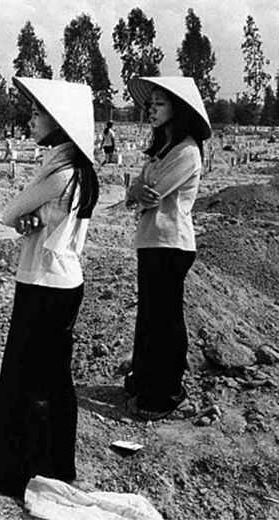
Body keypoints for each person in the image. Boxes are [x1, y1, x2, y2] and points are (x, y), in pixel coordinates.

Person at [0, 77, 99, 499]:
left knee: (25, 379)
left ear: (59, 121)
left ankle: (23, 471)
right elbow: (34, 218)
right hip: (62, 280)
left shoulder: (60, 171)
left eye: (38, 113)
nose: (31, 119)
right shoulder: (73, 169)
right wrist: (32, 218)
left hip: (43, 282)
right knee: (53, 378)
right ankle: (55, 462)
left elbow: (8, 213)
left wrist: (25, 213)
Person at [123, 76, 211, 421]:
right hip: (151, 241)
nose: (151, 109)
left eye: (159, 103)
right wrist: (136, 190)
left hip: (171, 243)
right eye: (151, 103)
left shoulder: (187, 151)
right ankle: (145, 382)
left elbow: (151, 193)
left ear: (179, 110)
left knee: (165, 321)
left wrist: (138, 190)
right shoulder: (161, 150)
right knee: (148, 317)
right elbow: (135, 193)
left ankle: (166, 391)